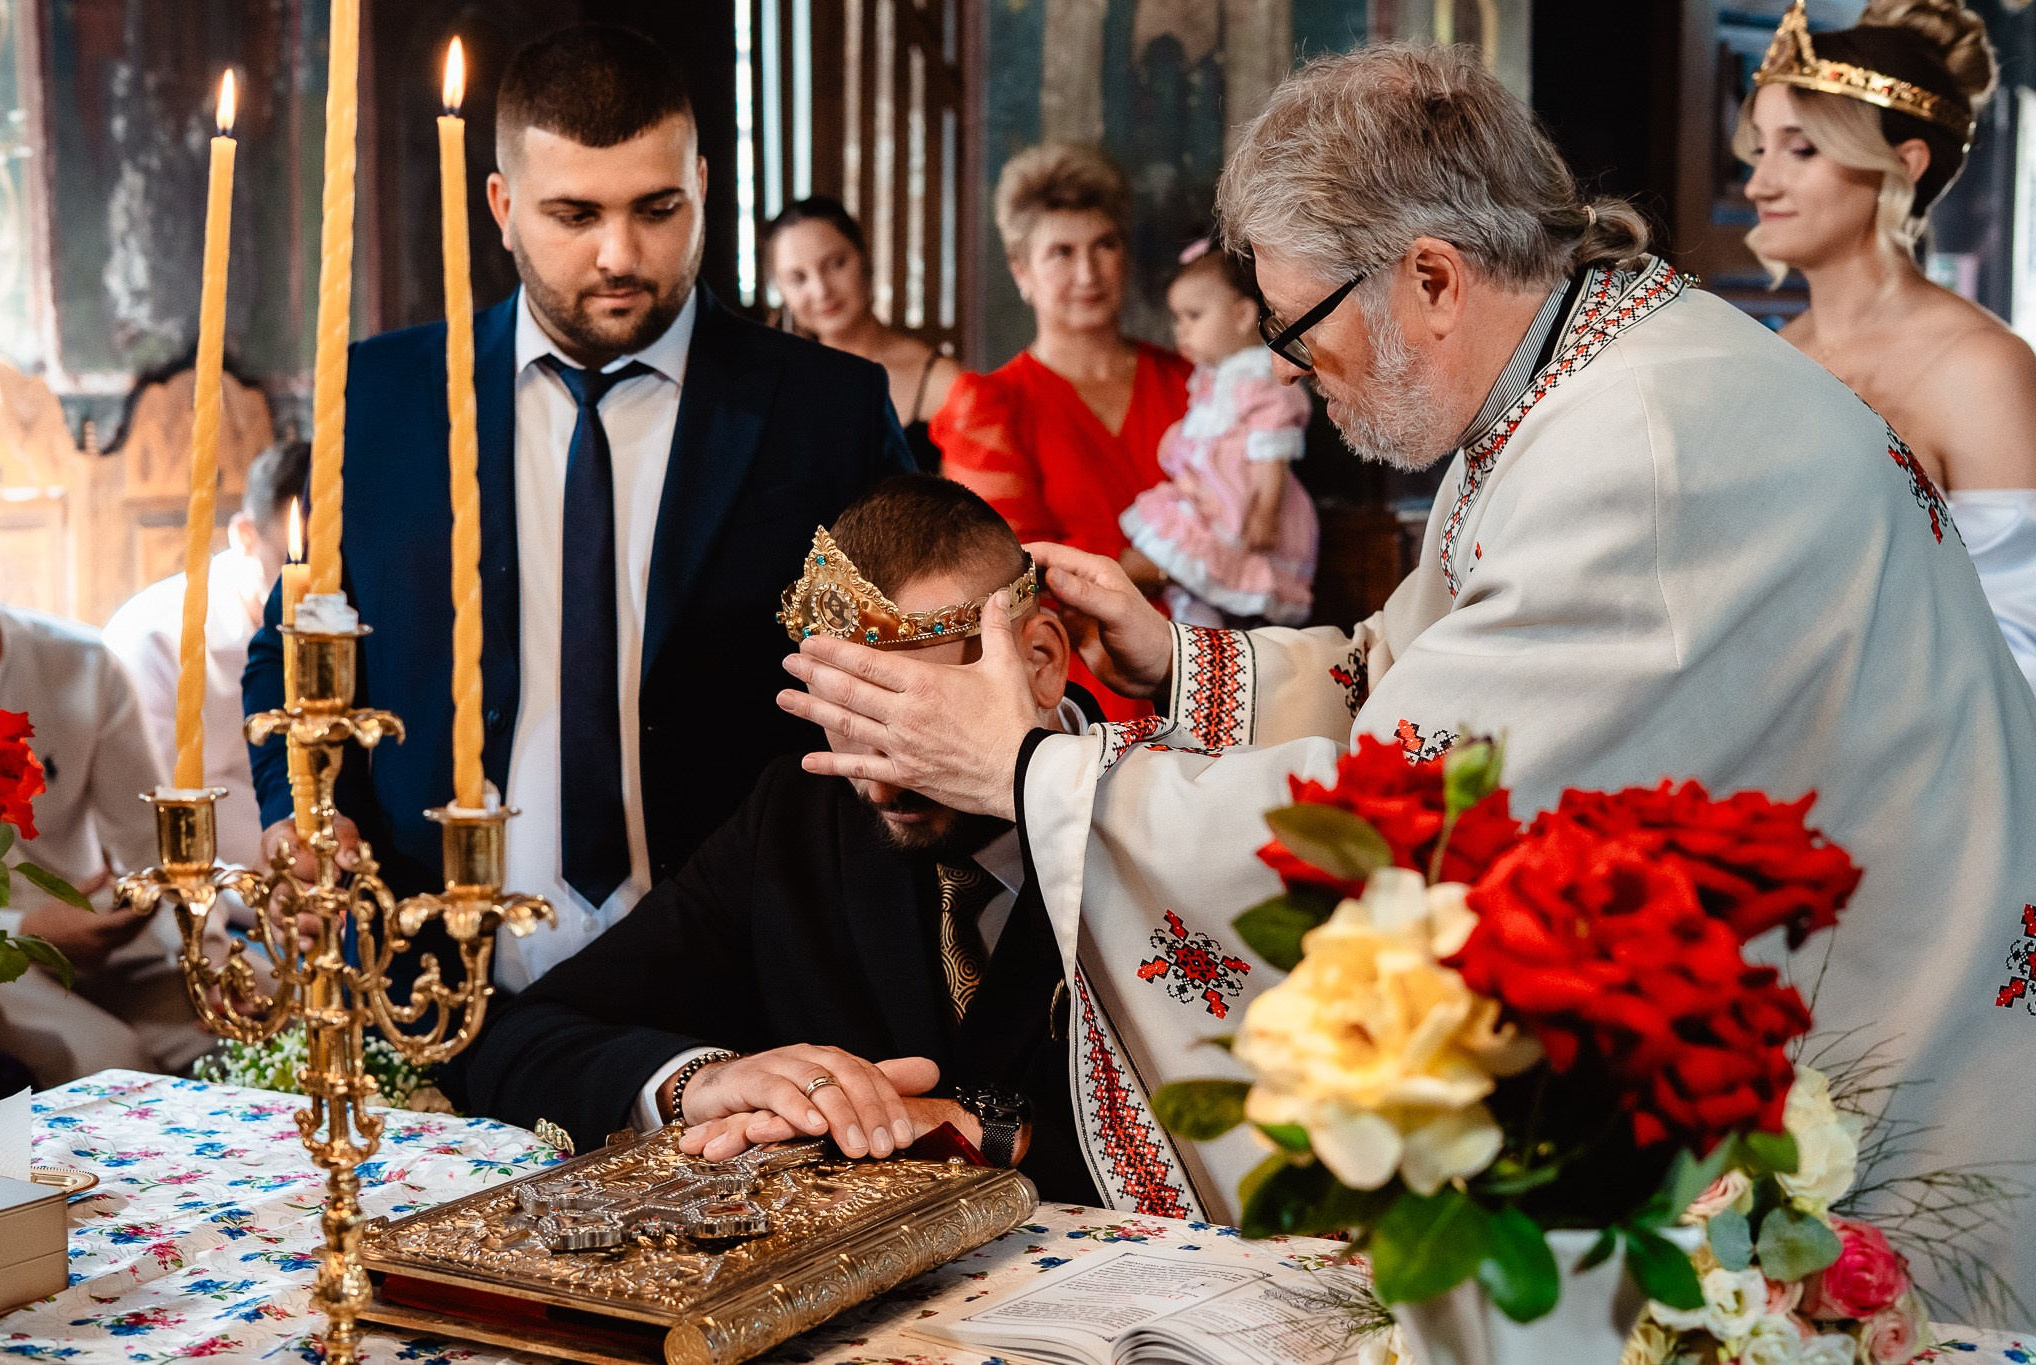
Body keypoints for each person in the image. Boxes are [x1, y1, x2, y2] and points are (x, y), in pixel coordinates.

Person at [774, 45, 2036, 1311]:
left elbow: (1426, 805)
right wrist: (1180, 664)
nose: (1285, 369)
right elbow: (1435, 667)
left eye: (1297, 325)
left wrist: (1029, 772)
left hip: (1880, 1065)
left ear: (1430, 277)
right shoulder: (1579, 362)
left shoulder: (1630, 454)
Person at [241, 24, 912, 992]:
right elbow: (292, 654)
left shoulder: (822, 411)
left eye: (657, 208)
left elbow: (902, 666)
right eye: (573, 214)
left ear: (704, 189)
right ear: (502, 207)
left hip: (740, 981)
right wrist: (299, 813)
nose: (620, 254)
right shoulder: (381, 401)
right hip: (437, 980)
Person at [465, 475, 1100, 1204]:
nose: (879, 783)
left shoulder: (1162, 823)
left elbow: (1233, 1154)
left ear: (1041, 661)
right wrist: (700, 1082)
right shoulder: (799, 813)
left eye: (915, 716)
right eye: (846, 715)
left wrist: (989, 1132)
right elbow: (524, 1042)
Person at [1738, 0, 2036, 689]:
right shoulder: (1773, 355)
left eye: (1802, 149)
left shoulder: (1982, 369)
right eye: (1761, 148)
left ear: (1903, 165)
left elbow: (2021, 643)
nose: (1760, 183)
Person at [931, 143, 1192, 718]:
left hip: (1209, 662)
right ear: (1021, 270)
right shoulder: (991, 407)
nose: (1087, 273)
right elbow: (1007, 573)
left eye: (1105, 245)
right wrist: (1183, 563)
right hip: (1075, 688)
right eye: (1061, 252)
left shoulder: (1195, 382)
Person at [0, 579, 231, 1086]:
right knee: (112, 1065)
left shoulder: (80, 663)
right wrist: (23, 931)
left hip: (97, 931)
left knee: (266, 1005)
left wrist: (207, 953)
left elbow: (152, 843)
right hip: (0, 961)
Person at [105, 441, 309, 866]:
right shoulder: (156, 637)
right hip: (207, 895)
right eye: (295, 560)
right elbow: (143, 811)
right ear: (245, 536)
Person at [1118, 241, 1317, 627]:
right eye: (1178, 318)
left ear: (1242, 314)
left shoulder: (1262, 374)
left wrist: (1267, 512)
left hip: (1245, 507)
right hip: (1212, 502)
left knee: (1241, 587)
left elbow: (1271, 450)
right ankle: (1196, 630)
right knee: (1195, 572)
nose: (1181, 330)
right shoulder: (1212, 377)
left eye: (1194, 316)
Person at [766, 197, 963, 472]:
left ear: (864, 258)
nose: (821, 290)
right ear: (781, 291)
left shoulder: (943, 383)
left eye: (836, 264)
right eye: (798, 278)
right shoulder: (776, 392)